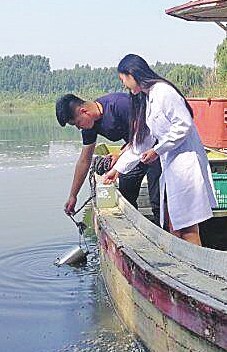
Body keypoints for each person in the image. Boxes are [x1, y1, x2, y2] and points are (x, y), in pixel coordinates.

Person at [103, 54, 216, 246]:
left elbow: (184, 125)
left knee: (187, 226)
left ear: (132, 74)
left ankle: (195, 267)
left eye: (123, 80)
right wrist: (117, 170)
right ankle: (184, 266)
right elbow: (142, 142)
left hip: (185, 163)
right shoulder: (149, 97)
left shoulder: (163, 92)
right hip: (173, 166)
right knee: (175, 224)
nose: (125, 86)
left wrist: (157, 150)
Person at [56, 92, 161, 224]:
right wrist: (73, 195)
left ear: (84, 111)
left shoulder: (120, 105)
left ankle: (166, 235)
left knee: (158, 200)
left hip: (156, 150)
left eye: (77, 123)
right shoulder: (90, 126)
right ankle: (133, 228)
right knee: (126, 195)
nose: (78, 128)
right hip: (133, 154)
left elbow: (145, 135)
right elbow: (84, 160)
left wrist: (120, 155)